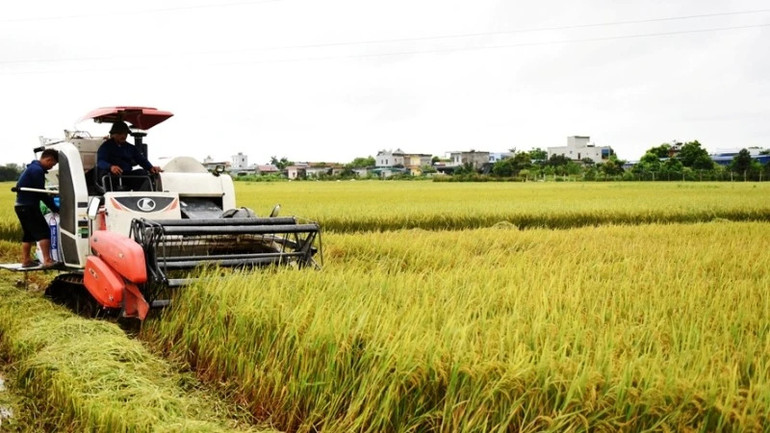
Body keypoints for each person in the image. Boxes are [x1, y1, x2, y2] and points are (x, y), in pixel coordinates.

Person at [14, 149, 60, 268]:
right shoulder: (37, 170)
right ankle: (47, 260)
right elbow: (41, 193)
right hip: (29, 206)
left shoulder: (32, 168)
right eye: (53, 164)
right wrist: (55, 208)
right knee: (44, 232)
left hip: (20, 206)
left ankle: (26, 261)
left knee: (28, 234)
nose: (51, 167)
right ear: (48, 159)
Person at [96, 121, 161, 191]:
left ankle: (139, 196)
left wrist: (150, 167)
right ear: (113, 134)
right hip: (112, 176)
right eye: (120, 133)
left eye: (125, 133)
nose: (123, 136)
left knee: (142, 173)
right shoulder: (105, 147)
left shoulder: (130, 148)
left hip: (126, 175)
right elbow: (100, 161)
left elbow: (141, 160)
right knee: (105, 174)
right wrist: (111, 167)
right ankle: (109, 193)